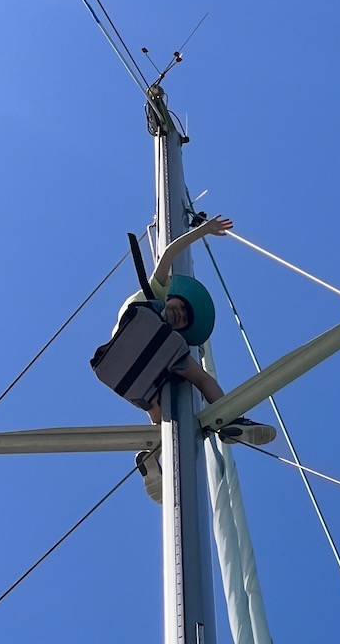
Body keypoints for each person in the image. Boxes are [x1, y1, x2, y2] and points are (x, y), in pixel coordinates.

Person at [115, 214, 276, 502]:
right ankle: (229, 419)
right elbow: (168, 254)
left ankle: (151, 457)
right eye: (181, 307)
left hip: (125, 371)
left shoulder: (167, 340)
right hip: (136, 340)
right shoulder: (158, 292)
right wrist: (203, 231)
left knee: (159, 414)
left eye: (185, 320)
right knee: (199, 376)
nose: (181, 315)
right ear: (173, 296)